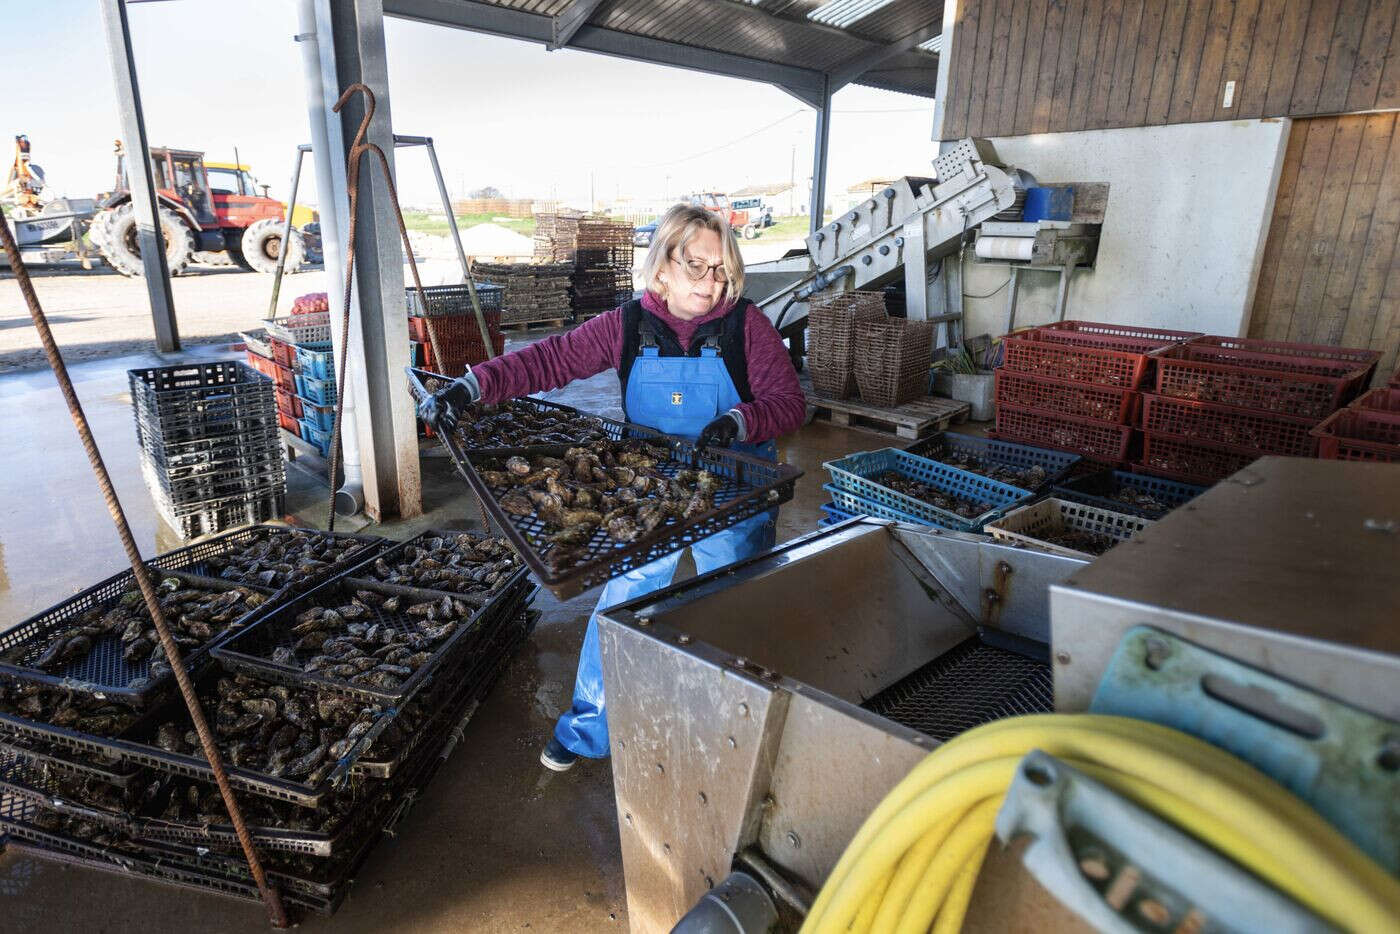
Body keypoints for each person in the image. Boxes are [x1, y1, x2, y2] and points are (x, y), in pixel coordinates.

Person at [418, 203, 805, 772]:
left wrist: (740, 422)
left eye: (721, 270)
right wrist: (470, 387)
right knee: (626, 597)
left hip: (736, 483)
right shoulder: (628, 324)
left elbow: (788, 403)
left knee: (733, 598)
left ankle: (736, 726)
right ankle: (587, 726)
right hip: (652, 480)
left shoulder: (747, 326)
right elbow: (548, 360)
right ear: (663, 266)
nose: (709, 281)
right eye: (695, 264)